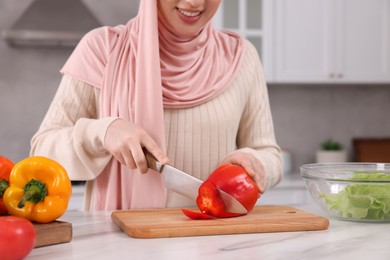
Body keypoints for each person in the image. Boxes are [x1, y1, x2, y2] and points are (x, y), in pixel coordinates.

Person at [30, 0, 283, 211]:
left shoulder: (242, 57)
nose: (195, 2)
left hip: (211, 242)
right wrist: (103, 132)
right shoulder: (102, 49)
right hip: (120, 241)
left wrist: (253, 162)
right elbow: (42, 152)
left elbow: (270, 154)